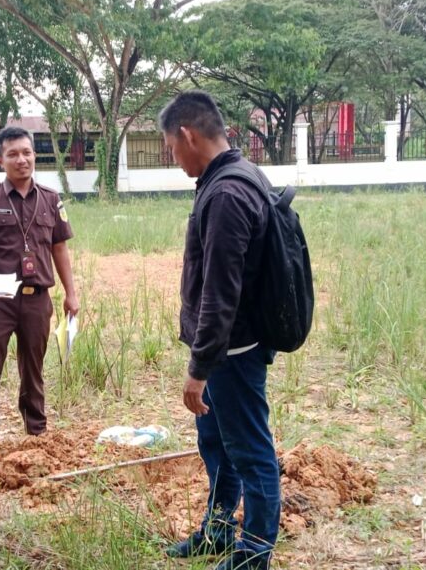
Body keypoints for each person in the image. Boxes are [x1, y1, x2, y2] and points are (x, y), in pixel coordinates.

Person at [159, 91, 280, 570]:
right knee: (218, 445)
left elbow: (220, 292)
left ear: (188, 135)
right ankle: (218, 531)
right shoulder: (229, 177)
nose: (174, 157)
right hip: (223, 350)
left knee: (250, 451)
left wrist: (199, 367)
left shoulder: (228, 191)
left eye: (171, 147)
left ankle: (253, 553)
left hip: (232, 351)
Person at [0, 126, 79, 470]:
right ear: (0, 160)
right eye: (12, 154)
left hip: (37, 298)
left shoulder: (51, 199)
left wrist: (72, 294)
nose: (21, 159)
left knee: (34, 371)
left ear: (34, 155)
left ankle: (37, 436)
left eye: (27, 152)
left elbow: (60, 250)